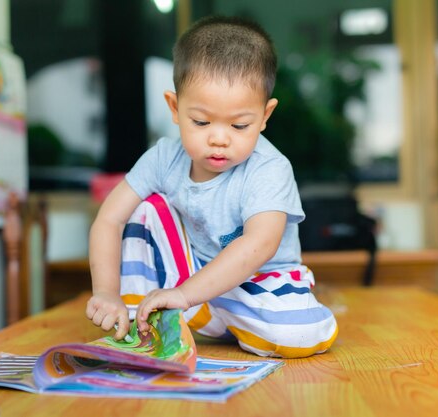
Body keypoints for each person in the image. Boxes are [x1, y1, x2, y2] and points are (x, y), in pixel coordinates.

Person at [85, 16, 338, 358]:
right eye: (201, 122)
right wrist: (106, 292)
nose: (218, 138)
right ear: (175, 107)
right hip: (188, 275)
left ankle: (216, 313)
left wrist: (187, 294)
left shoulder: (269, 168)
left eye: (239, 125)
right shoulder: (163, 157)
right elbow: (109, 220)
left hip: (259, 281)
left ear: (265, 116)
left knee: (301, 335)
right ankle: (141, 321)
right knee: (142, 210)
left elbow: (260, 244)